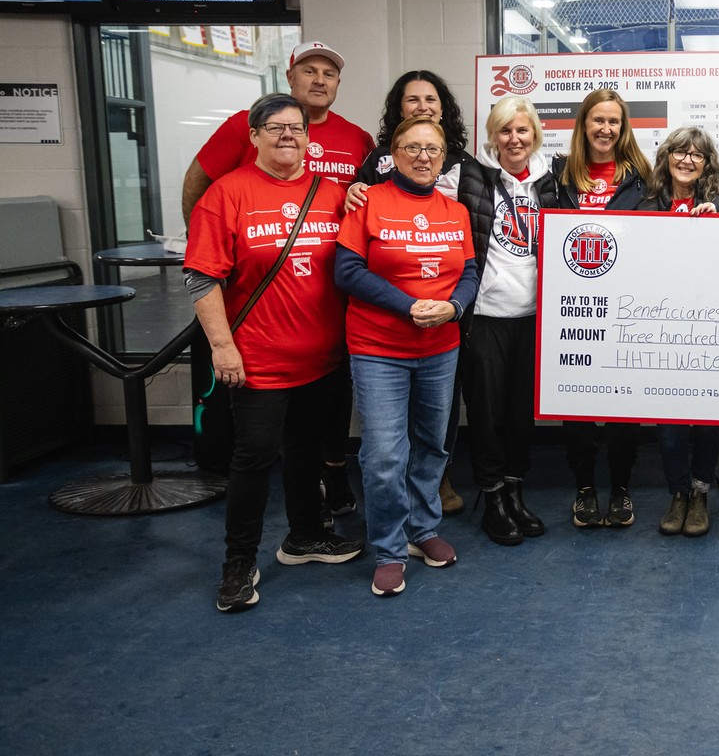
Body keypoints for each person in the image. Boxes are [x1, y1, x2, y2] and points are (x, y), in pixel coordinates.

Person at [184, 92, 363, 613]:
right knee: (254, 458)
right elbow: (201, 275)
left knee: (306, 448)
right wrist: (222, 346)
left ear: (310, 139)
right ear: (254, 136)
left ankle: (305, 536)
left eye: (298, 129)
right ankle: (238, 563)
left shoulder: (334, 194)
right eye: (276, 128)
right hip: (258, 357)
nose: (289, 136)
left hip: (324, 357)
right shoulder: (227, 194)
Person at [336, 116, 478, 597]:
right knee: (382, 454)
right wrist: (409, 305)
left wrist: (454, 306)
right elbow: (349, 272)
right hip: (379, 349)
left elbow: (471, 271)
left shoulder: (454, 210)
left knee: (433, 444)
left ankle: (422, 530)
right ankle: (390, 548)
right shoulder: (367, 201)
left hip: (440, 348)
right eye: (413, 148)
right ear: (393, 154)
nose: (423, 157)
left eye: (432, 150)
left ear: (443, 158)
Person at [456, 95, 559, 545]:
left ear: (534, 133)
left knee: (521, 415)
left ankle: (515, 490)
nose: (514, 139)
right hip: (487, 316)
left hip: (536, 317)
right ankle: (492, 497)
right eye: (504, 131)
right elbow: (410, 187)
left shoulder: (551, 181)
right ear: (492, 137)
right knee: (487, 412)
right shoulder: (468, 177)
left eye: (522, 130)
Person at [553, 89, 652, 529]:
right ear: (584, 125)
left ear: (623, 127)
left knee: (622, 409)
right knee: (574, 406)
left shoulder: (642, 178)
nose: (606, 129)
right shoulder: (558, 176)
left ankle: (621, 488)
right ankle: (585, 488)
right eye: (598, 120)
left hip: (626, 309)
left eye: (614, 121)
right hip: (573, 310)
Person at [638, 126, 719, 537]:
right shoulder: (646, 201)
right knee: (669, 425)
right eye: (679, 152)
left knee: (707, 419)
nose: (687, 160)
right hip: (660, 328)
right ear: (666, 156)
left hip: (712, 329)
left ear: (707, 164)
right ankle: (677, 493)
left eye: (696, 155)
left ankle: (700, 495)